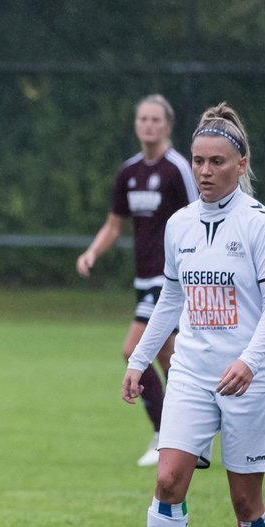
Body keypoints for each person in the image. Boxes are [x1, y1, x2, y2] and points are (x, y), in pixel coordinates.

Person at [118, 103, 265, 527]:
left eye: (216, 162)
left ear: (241, 164)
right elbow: (170, 301)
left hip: (249, 381)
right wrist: (139, 361)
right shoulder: (180, 225)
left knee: (246, 501)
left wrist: (249, 363)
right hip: (191, 376)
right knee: (168, 480)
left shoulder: (256, 226)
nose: (204, 171)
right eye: (199, 160)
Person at [77, 94, 198, 467]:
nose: (147, 125)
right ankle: (193, 428)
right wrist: (93, 252)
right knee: (173, 359)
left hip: (171, 280)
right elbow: (115, 224)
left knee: (135, 350)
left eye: (154, 119)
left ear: (167, 126)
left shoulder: (178, 168)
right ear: (136, 124)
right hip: (143, 279)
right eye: (142, 119)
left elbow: (198, 216)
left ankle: (166, 433)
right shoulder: (128, 173)